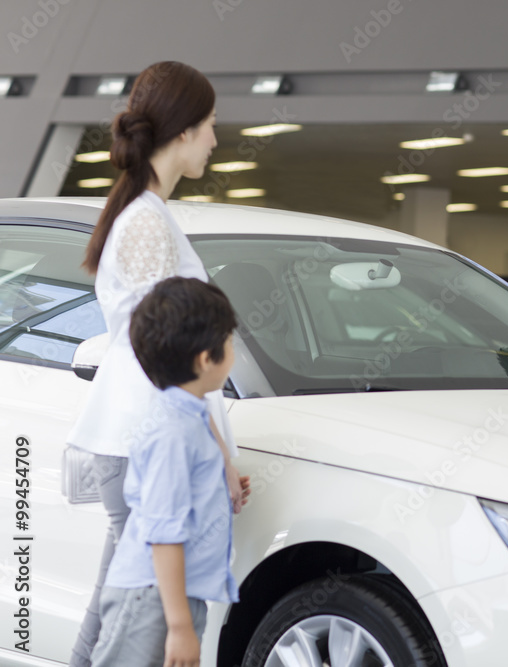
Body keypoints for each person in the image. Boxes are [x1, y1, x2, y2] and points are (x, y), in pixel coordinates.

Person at [64, 61, 249, 667]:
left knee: (114, 614)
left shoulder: (146, 213)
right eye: (211, 126)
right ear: (183, 131)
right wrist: (219, 458)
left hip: (135, 438)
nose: (216, 142)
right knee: (129, 624)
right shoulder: (145, 220)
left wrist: (221, 457)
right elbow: (162, 355)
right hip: (142, 439)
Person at [90, 277, 240, 667]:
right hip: (152, 597)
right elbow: (163, 532)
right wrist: (179, 626)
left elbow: (183, 498)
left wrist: (218, 490)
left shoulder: (190, 417)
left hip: (175, 593)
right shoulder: (173, 431)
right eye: (229, 340)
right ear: (206, 358)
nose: (233, 349)